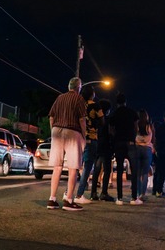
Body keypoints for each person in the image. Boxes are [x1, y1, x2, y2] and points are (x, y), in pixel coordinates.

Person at [47, 77, 87, 211]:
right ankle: (69, 200)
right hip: (72, 132)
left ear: (68, 86)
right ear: (79, 87)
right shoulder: (79, 99)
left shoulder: (59, 98)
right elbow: (82, 120)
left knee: (57, 167)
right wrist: (84, 136)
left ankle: (52, 199)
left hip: (57, 131)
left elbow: (51, 116)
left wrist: (53, 130)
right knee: (73, 167)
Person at [109, 93, 142, 205]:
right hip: (130, 142)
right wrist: (133, 135)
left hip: (119, 143)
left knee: (119, 170)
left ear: (117, 102)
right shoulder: (132, 112)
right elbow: (136, 127)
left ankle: (119, 198)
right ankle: (134, 198)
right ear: (125, 101)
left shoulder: (114, 114)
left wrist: (116, 136)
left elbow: (111, 129)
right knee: (134, 170)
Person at [74, 85, 103, 204]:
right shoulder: (96, 105)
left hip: (78, 137)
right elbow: (102, 121)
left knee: (74, 166)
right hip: (91, 138)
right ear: (92, 94)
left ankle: (67, 192)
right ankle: (79, 194)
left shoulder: (79, 104)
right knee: (87, 167)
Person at [90, 98, 115, 202]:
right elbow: (111, 134)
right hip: (106, 146)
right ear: (108, 110)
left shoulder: (95, 120)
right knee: (107, 169)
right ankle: (104, 193)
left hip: (97, 145)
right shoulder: (108, 120)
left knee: (96, 169)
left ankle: (93, 193)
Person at [136, 109, 155, 201]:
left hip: (137, 148)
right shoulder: (150, 126)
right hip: (147, 149)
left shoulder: (136, 125)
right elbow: (153, 138)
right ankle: (142, 194)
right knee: (145, 173)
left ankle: (137, 193)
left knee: (138, 173)